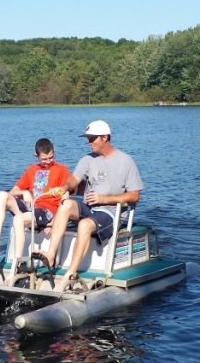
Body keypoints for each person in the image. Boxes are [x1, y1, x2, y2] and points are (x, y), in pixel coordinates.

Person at [35, 120, 143, 292]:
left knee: (85, 224)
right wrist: (63, 188)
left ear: (105, 138)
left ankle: (70, 274)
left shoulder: (126, 161)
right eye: (88, 138)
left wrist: (104, 198)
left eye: (93, 138)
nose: (89, 142)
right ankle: (51, 254)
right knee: (66, 205)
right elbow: (74, 180)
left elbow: (134, 195)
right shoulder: (87, 159)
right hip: (89, 208)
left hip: (111, 212)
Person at [0, 138, 70, 283]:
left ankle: (15, 267)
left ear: (54, 153)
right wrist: (24, 193)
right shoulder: (31, 170)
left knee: (17, 219)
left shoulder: (61, 170)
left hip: (46, 212)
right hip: (30, 207)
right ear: (36, 156)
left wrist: (53, 222)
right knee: (2, 195)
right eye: (44, 158)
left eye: (51, 157)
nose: (48, 161)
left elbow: (66, 196)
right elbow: (14, 190)